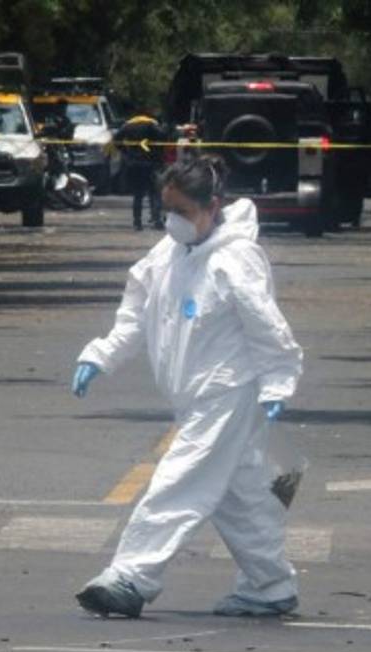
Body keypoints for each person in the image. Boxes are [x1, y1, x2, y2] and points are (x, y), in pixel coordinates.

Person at [70, 154, 304, 619]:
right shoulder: (169, 252)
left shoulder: (236, 259)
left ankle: (131, 577)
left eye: (181, 210)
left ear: (212, 206)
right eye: (167, 210)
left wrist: (278, 381)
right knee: (240, 497)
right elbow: (135, 312)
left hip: (227, 392)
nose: (171, 220)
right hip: (197, 397)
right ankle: (270, 585)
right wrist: (100, 354)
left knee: (178, 482)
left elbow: (267, 325)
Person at [116, 112, 167, 231]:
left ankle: (137, 222)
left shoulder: (127, 126)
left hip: (134, 163)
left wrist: (126, 152)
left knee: (138, 195)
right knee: (154, 192)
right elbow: (163, 136)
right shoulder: (151, 125)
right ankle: (156, 220)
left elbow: (116, 140)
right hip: (149, 162)